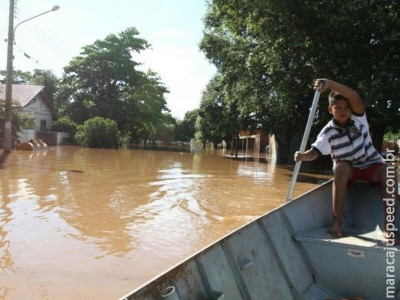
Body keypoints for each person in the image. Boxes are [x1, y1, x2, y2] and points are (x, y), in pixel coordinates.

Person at [294, 79, 398, 242]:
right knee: (341, 168)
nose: (343, 111)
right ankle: (337, 223)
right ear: (330, 109)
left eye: (347, 108)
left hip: (371, 165)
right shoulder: (327, 132)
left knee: (390, 172)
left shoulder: (358, 119)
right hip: (348, 170)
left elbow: (355, 96)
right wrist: (303, 156)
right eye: (338, 108)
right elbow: (315, 151)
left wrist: (328, 83)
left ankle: (388, 227)